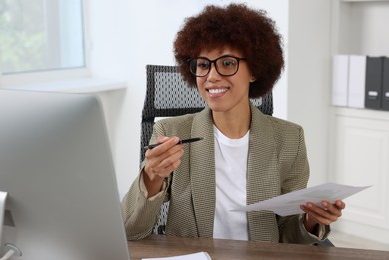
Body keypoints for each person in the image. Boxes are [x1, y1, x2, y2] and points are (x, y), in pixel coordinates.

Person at [122, 3, 345, 244]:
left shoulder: (290, 139)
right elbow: (131, 230)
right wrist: (151, 175)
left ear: (254, 71)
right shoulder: (171, 132)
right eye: (203, 64)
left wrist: (311, 219)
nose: (212, 76)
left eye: (227, 63)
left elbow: (289, 237)